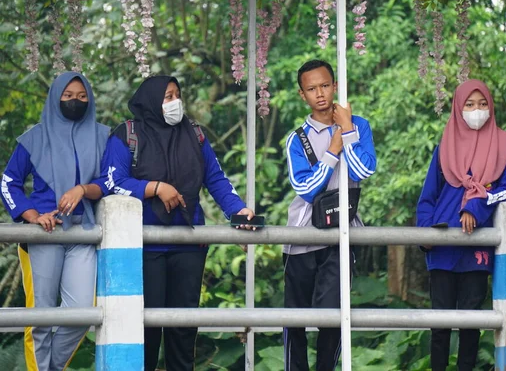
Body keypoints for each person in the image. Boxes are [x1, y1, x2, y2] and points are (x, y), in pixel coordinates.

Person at [97, 76, 256, 371]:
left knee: (184, 330)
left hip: (188, 244)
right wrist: (155, 187)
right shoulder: (127, 134)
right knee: (145, 330)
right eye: (167, 96)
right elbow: (113, 181)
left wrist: (238, 212)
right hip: (144, 246)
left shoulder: (194, 134)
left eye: (177, 95)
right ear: (152, 101)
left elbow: (216, 179)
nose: (174, 102)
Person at [0, 72, 110, 371]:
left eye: (83, 96)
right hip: (43, 234)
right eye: (68, 96)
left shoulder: (103, 136)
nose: (76, 101)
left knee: (82, 314)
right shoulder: (34, 137)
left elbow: (112, 180)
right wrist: (31, 215)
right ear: (55, 98)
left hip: (83, 232)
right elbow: (8, 182)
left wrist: (83, 190)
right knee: (41, 316)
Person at [416, 79, 506, 371]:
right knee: (441, 322)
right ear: (458, 109)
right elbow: (427, 198)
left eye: (483, 104)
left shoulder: (503, 142)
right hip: (442, 244)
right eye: (470, 105)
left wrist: (475, 206)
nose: (477, 110)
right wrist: (425, 232)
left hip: (476, 245)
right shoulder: (444, 146)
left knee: (471, 320)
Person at [283, 59, 376, 371]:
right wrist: (332, 151)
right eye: (312, 89)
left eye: (324, 85)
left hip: (341, 235)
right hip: (300, 238)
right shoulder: (297, 138)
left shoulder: (358, 125)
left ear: (335, 86)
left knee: (334, 316)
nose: (320, 94)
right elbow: (306, 188)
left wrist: (347, 131)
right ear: (302, 94)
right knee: (293, 318)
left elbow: (364, 169)